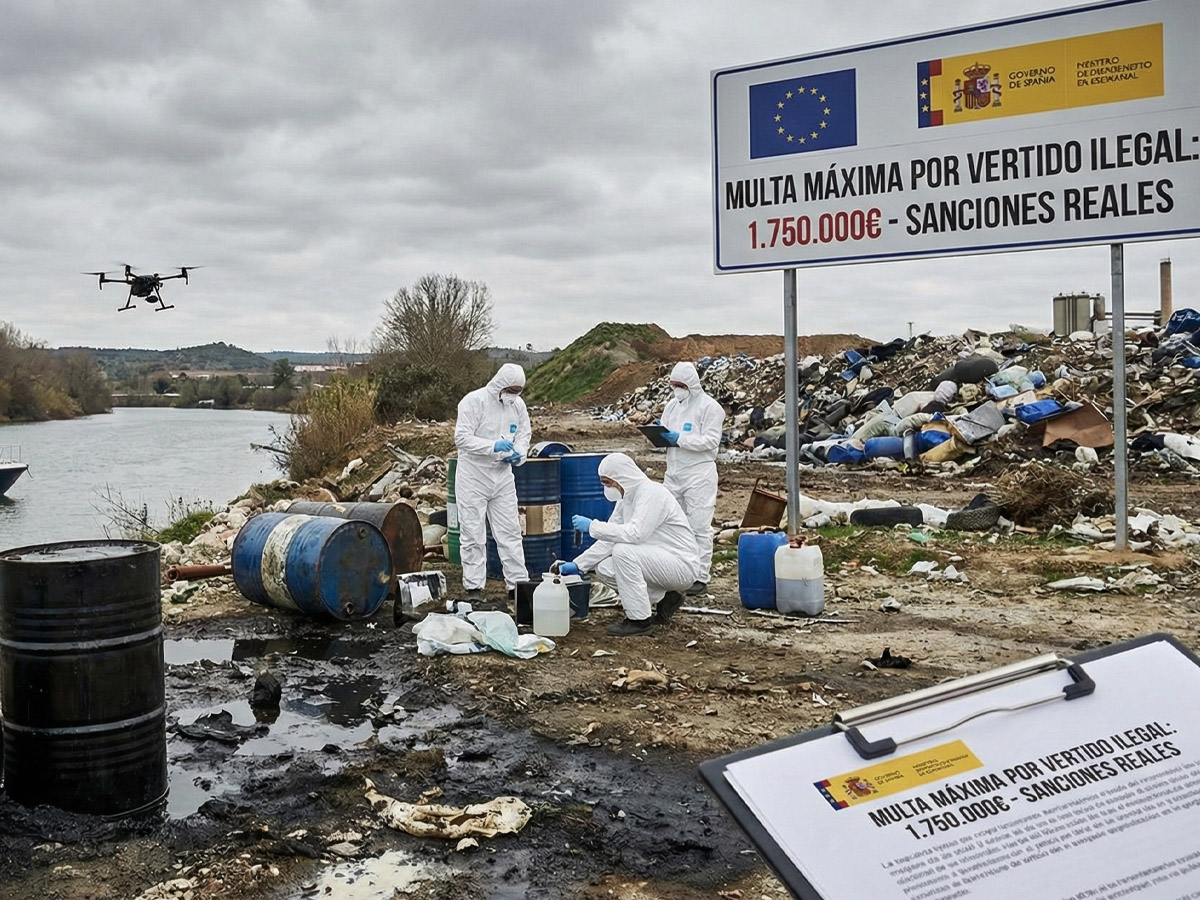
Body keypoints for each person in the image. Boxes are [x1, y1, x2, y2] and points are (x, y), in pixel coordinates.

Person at [554, 453, 699, 637]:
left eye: (608, 482)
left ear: (621, 477)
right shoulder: (626, 498)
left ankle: (639, 621)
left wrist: (593, 526)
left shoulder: (651, 493)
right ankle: (665, 598)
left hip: (681, 564)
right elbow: (610, 538)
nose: (607, 488)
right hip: (660, 561)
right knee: (605, 567)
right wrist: (579, 564)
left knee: (622, 552)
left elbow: (636, 534)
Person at [453, 363, 531, 604]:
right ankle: (474, 586)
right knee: (473, 533)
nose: (514, 395)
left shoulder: (517, 405)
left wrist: (519, 453)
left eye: (518, 391)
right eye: (511, 390)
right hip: (473, 476)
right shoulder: (473, 401)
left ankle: (517, 584)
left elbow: (524, 434)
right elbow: (462, 438)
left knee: (510, 532)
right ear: (500, 384)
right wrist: (492, 446)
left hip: (503, 475)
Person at [659, 361, 724, 595]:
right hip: (674, 472)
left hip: (699, 474)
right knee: (671, 522)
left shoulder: (710, 407)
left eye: (679, 385)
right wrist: (660, 435)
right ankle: (676, 569)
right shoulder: (672, 407)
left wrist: (680, 439)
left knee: (699, 525)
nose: (676, 389)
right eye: (673, 385)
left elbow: (710, 441)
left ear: (691, 384)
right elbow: (666, 433)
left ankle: (700, 575)